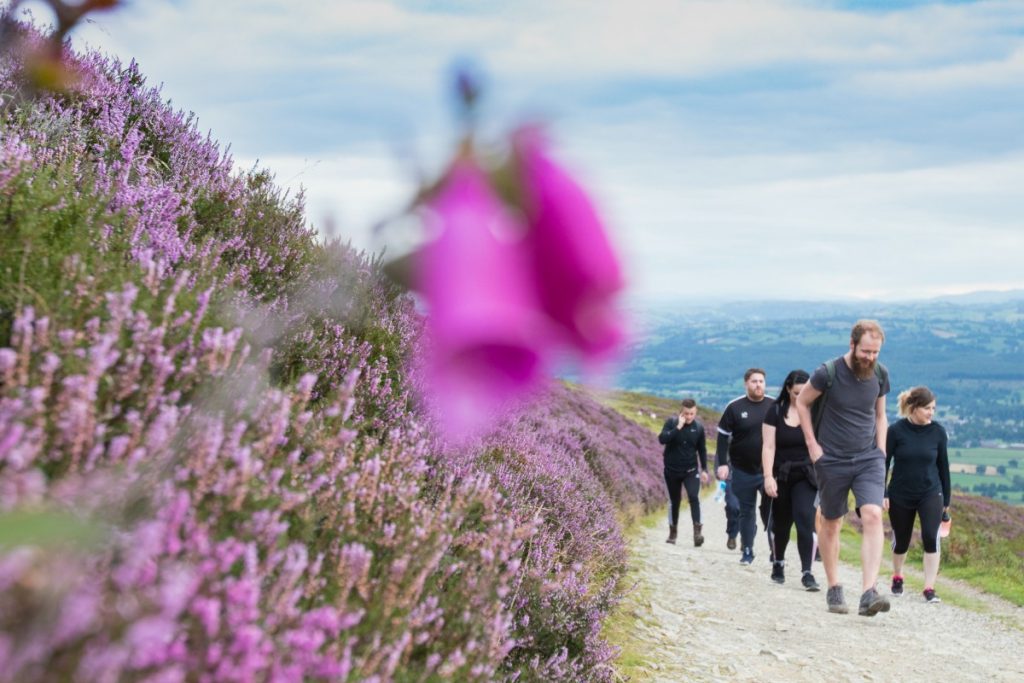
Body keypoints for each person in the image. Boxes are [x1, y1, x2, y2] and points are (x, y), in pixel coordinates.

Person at [795, 319, 891, 617]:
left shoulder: (880, 374)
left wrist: (882, 452)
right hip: (832, 458)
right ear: (852, 344)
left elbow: (880, 415)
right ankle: (834, 587)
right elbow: (801, 402)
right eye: (865, 351)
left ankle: (868, 592)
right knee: (832, 521)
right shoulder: (828, 372)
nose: (870, 358)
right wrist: (812, 445)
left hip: (868, 458)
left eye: (875, 352)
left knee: (873, 514)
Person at [885, 386, 951, 604]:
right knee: (902, 541)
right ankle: (897, 576)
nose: (931, 413)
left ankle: (929, 588)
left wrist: (946, 502)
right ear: (913, 408)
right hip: (900, 493)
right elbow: (884, 463)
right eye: (926, 408)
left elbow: (943, 467)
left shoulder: (938, 432)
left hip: (931, 492)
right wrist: (882, 492)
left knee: (930, 537)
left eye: (933, 408)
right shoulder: (896, 431)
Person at [762, 369, 820, 591]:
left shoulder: (815, 413)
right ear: (788, 389)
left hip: (806, 475)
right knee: (782, 523)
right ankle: (778, 562)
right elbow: (768, 446)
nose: (800, 396)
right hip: (781, 474)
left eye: (804, 392)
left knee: (806, 519)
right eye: (796, 392)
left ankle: (807, 572)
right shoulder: (775, 411)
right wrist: (768, 477)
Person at [716, 368, 774, 565]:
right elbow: (722, 437)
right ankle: (747, 551)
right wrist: (723, 464)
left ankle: (776, 551)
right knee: (746, 511)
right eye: (754, 381)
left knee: (771, 512)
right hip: (742, 470)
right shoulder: (734, 407)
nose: (758, 385)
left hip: (768, 472)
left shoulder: (774, 405)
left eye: (761, 381)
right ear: (746, 384)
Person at [658, 398, 709, 546]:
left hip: (691, 470)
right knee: (674, 502)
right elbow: (662, 439)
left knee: (694, 497)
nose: (688, 417)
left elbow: (702, 450)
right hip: (671, 471)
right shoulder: (671, 423)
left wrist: (704, 469)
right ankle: (673, 533)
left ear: (695, 412)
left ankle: (697, 533)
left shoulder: (699, 428)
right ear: (681, 411)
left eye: (692, 414)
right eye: (686, 413)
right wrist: (677, 428)